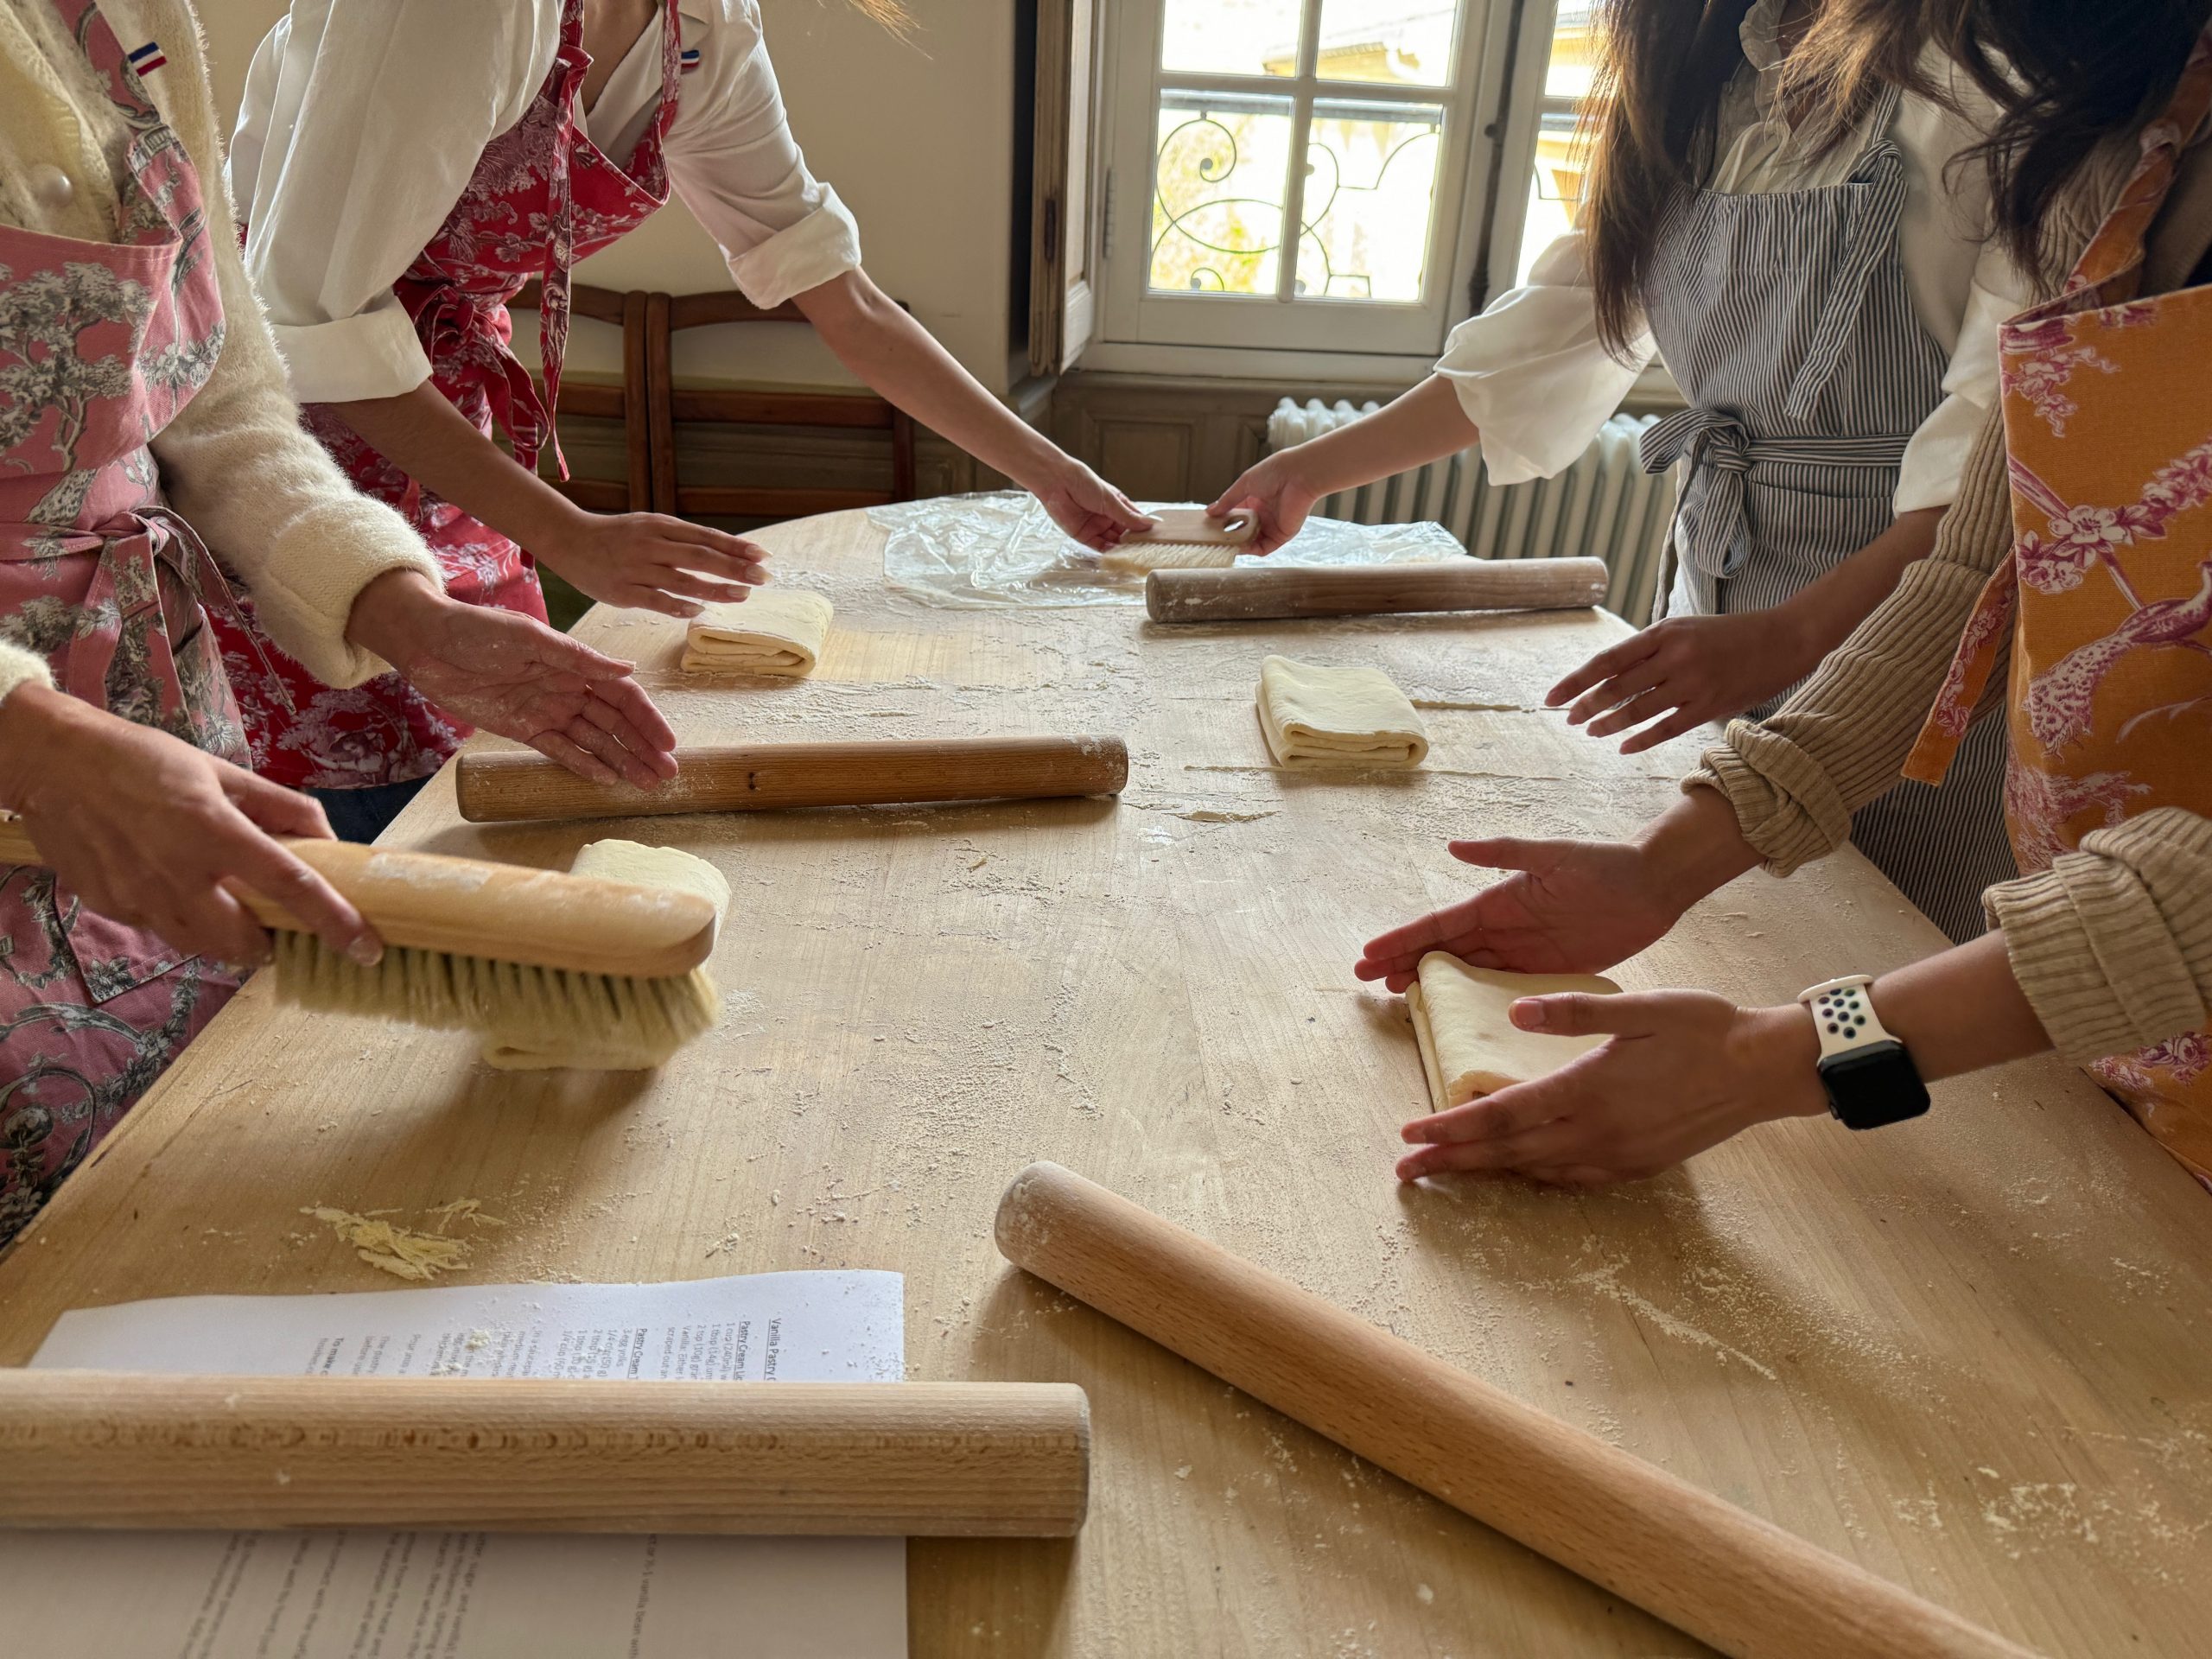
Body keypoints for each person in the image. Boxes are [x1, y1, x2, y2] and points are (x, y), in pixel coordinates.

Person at [1354, 0, 2212, 1191]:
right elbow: (1971, 565)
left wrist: (1779, 1058)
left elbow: (2186, 906)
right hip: (2120, 985)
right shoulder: (2127, 153)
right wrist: (1668, 867)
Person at [0, 0, 687, 1243]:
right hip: (39, 752)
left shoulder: (133, 22)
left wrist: (405, 611)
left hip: (157, 718)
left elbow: (219, 398)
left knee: (162, 1209)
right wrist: (37, 748)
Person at [216, 0, 1152, 842]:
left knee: (505, 760)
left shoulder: (698, 27)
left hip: (442, 425)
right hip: (267, 448)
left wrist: (1050, 474)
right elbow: (309, 324)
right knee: (350, 808)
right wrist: (565, 532)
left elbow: (836, 291)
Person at [1214, 0, 2031, 943]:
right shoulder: (1699, 87)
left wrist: (1793, 637)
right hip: (1717, 600)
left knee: (1883, 974)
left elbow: (1994, 456)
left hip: (1919, 628)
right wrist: (1307, 470)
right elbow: (1555, 329)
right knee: (1727, 943)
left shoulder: (1983, 86)